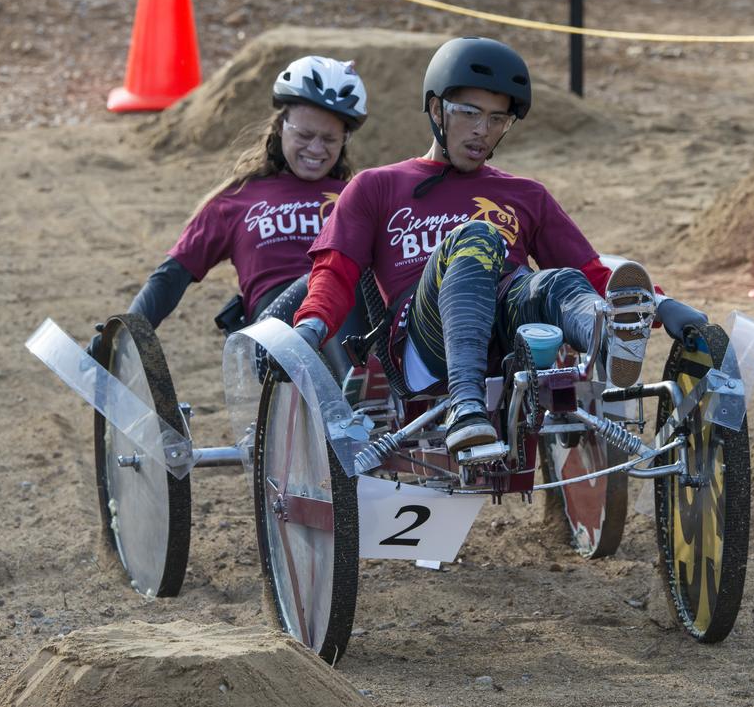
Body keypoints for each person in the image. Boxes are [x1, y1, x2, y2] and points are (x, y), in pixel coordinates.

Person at [285, 37, 707, 459]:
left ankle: (608, 337)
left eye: (497, 119)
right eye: (469, 113)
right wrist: (309, 328)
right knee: (479, 238)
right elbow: (335, 270)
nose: (481, 131)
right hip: (424, 340)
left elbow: (591, 270)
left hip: (508, 338)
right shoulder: (377, 186)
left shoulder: (526, 194)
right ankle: (465, 404)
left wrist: (660, 305)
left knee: (558, 281)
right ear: (437, 110)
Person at [91, 55, 369, 373]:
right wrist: (125, 337)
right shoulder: (237, 199)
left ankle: (374, 395)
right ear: (281, 126)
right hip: (272, 334)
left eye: (329, 139)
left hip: (348, 321)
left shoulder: (358, 195)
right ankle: (356, 391)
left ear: (344, 140)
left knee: (351, 281)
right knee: (321, 279)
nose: (316, 149)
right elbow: (171, 277)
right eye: (305, 136)